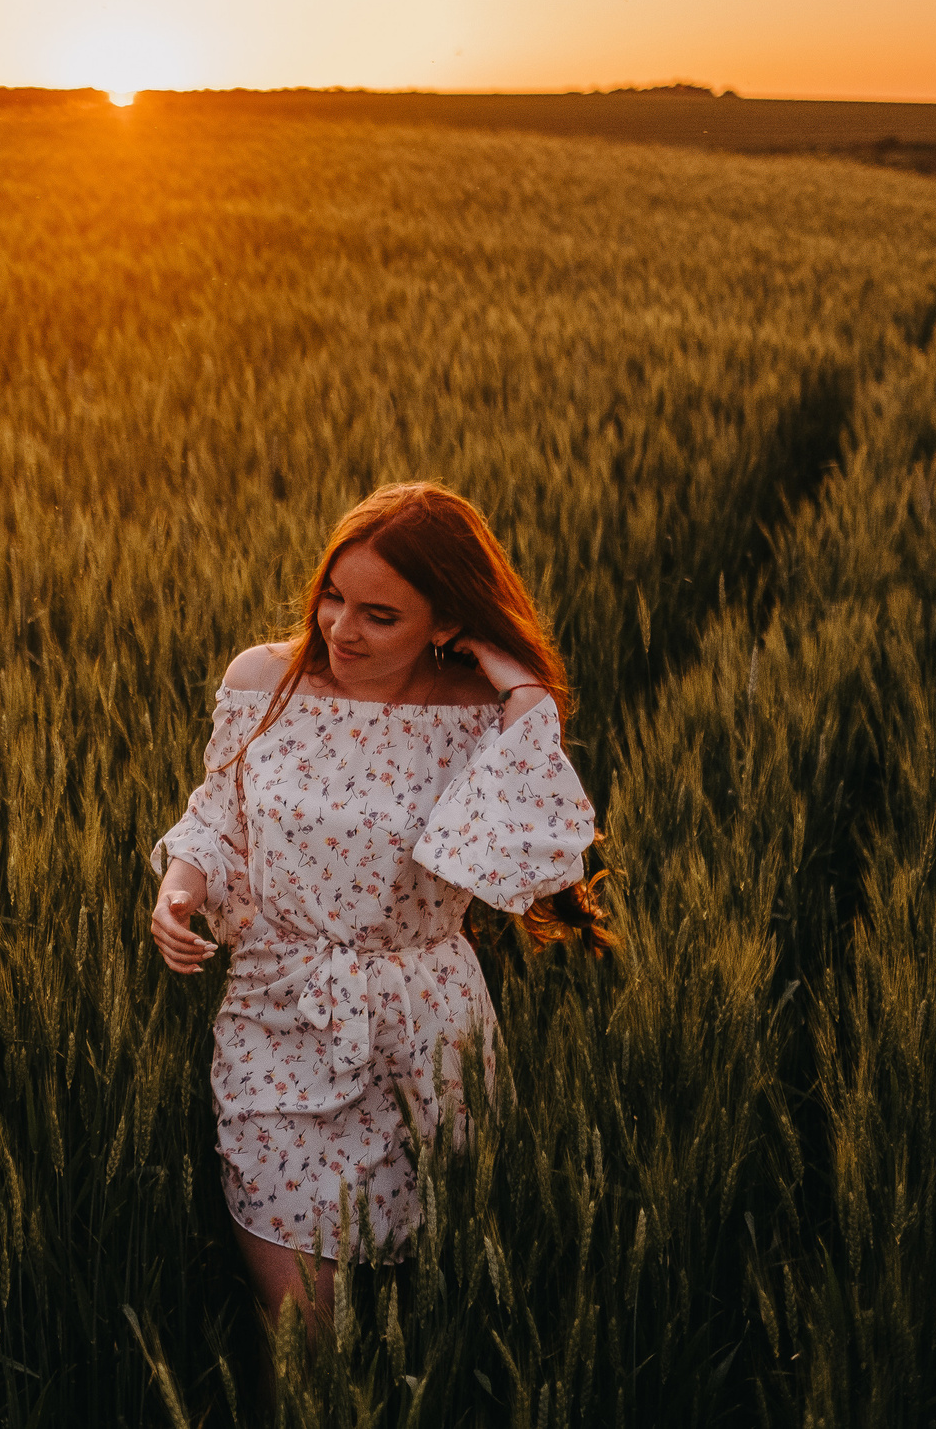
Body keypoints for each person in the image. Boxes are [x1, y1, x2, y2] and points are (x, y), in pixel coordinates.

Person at [147, 481, 614, 1341]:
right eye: (333, 593)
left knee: (424, 1310)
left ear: (447, 622)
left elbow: (540, 851)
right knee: (302, 1323)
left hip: (430, 1027)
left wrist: (520, 687)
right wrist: (181, 887)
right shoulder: (264, 681)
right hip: (277, 1013)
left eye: (380, 614)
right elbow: (219, 811)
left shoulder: (482, 715)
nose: (339, 627)